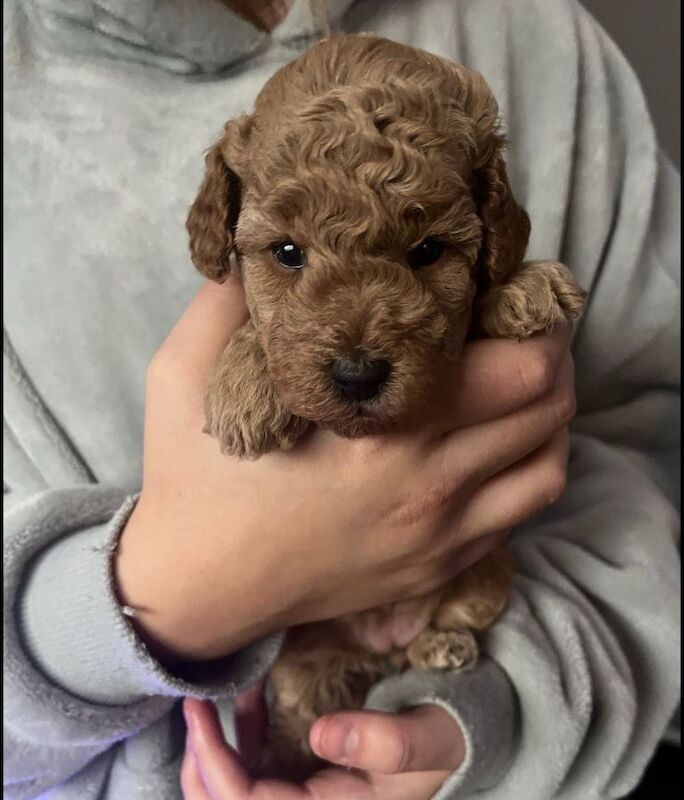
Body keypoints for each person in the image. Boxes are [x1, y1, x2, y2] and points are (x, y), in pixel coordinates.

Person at [3, 1, 679, 799]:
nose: (357, 352)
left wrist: (504, 712)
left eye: (425, 251)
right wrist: (156, 595)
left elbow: (652, 438)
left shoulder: (536, 31)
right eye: (289, 254)